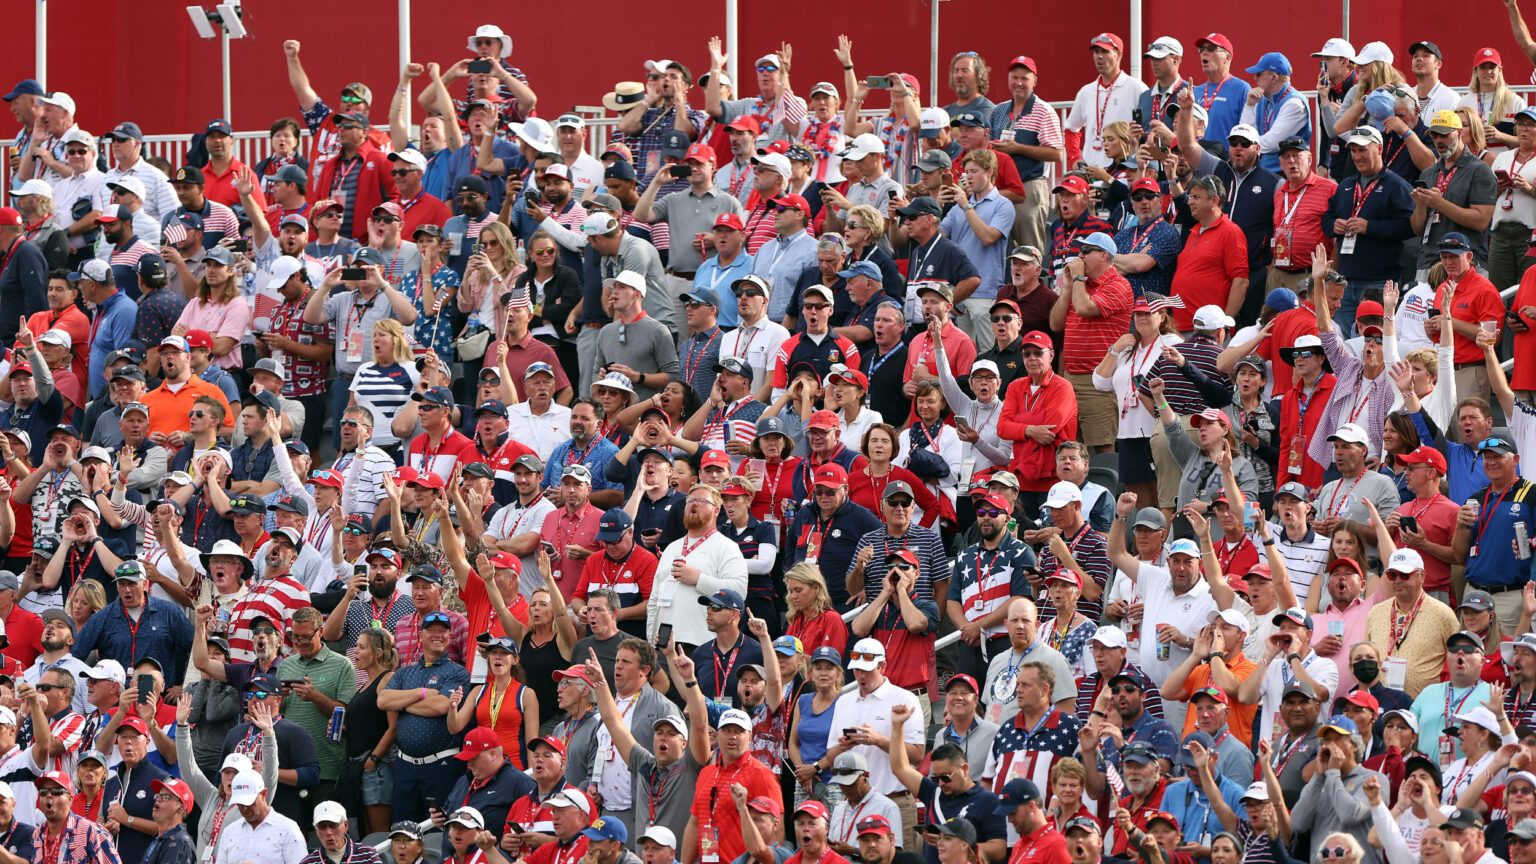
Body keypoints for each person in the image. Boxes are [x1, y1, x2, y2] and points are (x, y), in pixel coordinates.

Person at [1063, 33, 1147, 170]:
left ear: (1119, 55)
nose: (1099, 56)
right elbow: (1071, 129)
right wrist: (1075, 158)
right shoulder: (1086, 91)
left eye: (1105, 51)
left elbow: (1148, 129)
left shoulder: (1136, 87)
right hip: (1091, 171)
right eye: (1096, 52)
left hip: (1123, 170)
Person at [212, 770, 307, 864]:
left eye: (249, 802)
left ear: (264, 794)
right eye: (240, 803)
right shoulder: (229, 831)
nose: (245, 808)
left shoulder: (288, 829)